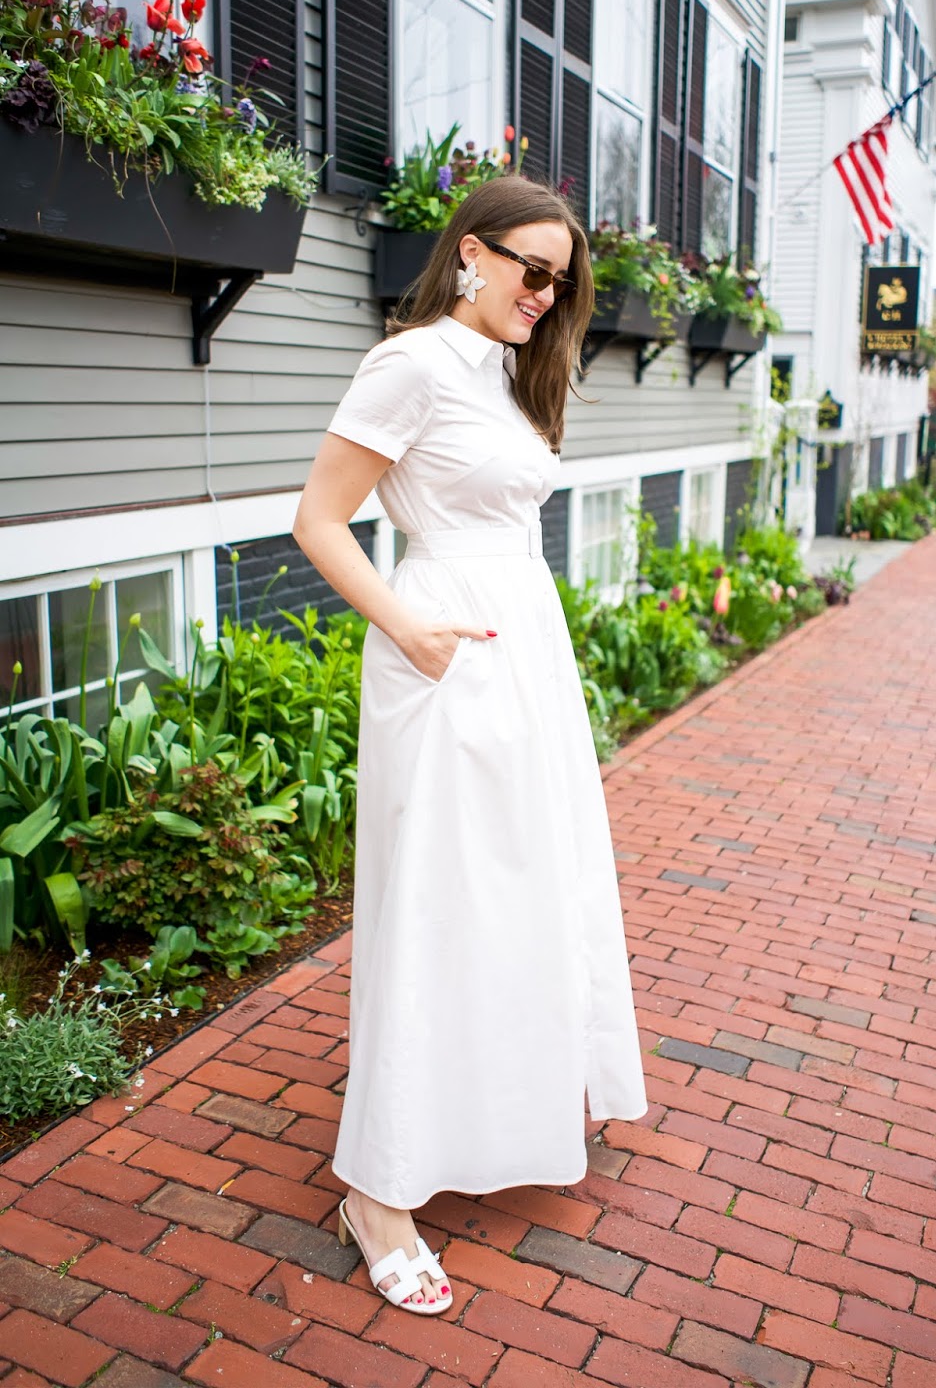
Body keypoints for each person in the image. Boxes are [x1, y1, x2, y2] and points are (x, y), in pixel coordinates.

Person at [293, 177, 648, 1318]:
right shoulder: (411, 364)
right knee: (439, 900)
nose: (546, 294)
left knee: (525, 886)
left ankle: (514, 1093)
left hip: (522, 649)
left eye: (563, 279)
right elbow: (317, 516)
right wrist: (404, 624)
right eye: (530, 269)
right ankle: (377, 1193)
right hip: (437, 648)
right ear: (467, 254)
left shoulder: (512, 368)